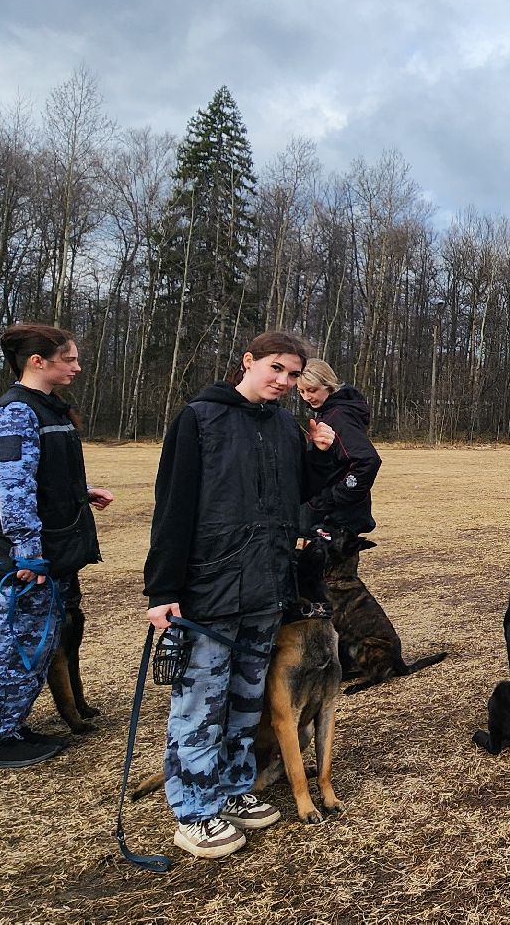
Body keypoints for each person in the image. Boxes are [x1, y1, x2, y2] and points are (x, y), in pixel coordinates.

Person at [142, 330, 336, 860]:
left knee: (246, 700)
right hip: (211, 586)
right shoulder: (200, 419)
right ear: (248, 361)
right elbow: (173, 506)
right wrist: (163, 588)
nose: (284, 381)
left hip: (268, 587)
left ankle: (231, 787)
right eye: (276, 368)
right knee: (200, 703)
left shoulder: (283, 425)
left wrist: (320, 456)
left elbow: (299, 493)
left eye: (293, 374)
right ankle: (194, 811)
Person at [0, 323, 113, 772]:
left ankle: (12, 727)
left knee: (41, 640)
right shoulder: (17, 413)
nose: (77, 367)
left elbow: (39, 476)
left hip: (51, 553)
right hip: (27, 560)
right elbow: (11, 488)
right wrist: (27, 552)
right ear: (37, 362)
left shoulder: (46, 410)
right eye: (68, 359)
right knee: (13, 643)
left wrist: (80, 493)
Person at [296, 358, 380, 537]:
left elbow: (367, 461)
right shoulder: (329, 413)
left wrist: (332, 497)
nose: (306, 397)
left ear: (328, 385)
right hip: (331, 516)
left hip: (336, 520)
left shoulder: (339, 417)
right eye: (301, 391)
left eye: (312, 390)